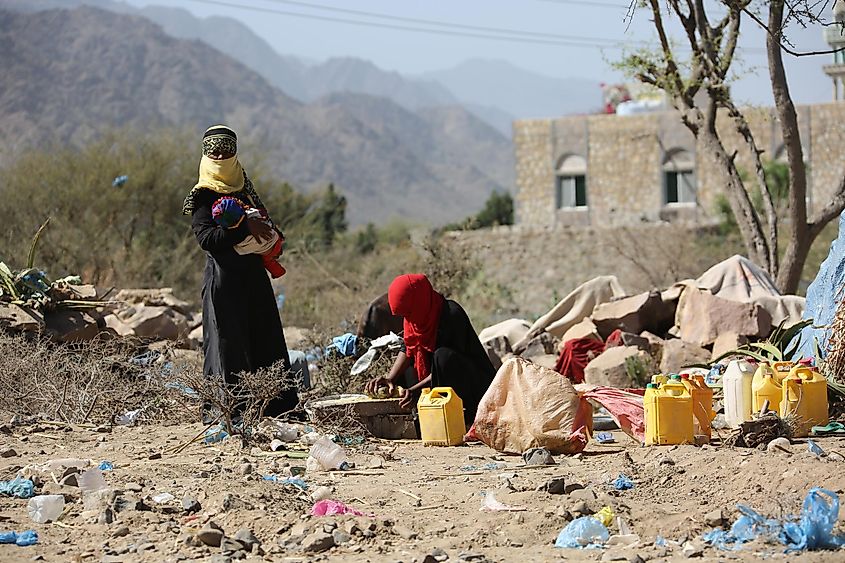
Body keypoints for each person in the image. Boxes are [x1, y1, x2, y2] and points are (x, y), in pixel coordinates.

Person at [182, 125, 298, 418]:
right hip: (224, 281)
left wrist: (269, 236)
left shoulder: (245, 188)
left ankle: (276, 408)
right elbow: (207, 240)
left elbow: (268, 223)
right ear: (206, 155)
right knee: (227, 344)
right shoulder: (203, 196)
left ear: (235, 154)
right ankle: (230, 411)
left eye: (226, 151)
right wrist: (244, 228)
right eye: (214, 151)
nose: (220, 156)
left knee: (265, 338)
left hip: (253, 278)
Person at [365, 274, 495, 424]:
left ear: (419, 301)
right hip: (438, 381)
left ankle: (464, 418)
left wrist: (416, 391)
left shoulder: (451, 314)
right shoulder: (414, 319)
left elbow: (446, 367)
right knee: (405, 368)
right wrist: (390, 378)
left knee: (442, 356)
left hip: (473, 387)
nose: (407, 318)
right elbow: (408, 347)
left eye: (408, 313)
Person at [211, 195, 286, 278]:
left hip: (266, 252)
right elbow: (264, 216)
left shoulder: (236, 237)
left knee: (267, 262)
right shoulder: (252, 216)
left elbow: (239, 250)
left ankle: (278, 272)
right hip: (276, 240)